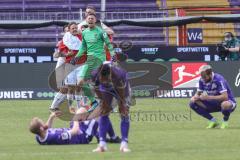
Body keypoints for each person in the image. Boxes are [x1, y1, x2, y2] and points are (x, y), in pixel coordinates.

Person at [72, 13, 115, 112]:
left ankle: (98, 102)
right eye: (89, 18)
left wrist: (113, 55)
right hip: (90, 59)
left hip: (98, 58)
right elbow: (83, 47)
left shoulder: (101, 32)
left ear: (95, 20)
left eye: (92, 18)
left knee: (81, 81)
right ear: (86, 21)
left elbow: (108, 43)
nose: (90, 20)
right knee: (86, 83)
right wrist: (76, 57)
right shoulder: (85, 32)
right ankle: (98, 102)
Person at [91, 62, 131, 152]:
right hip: (105, 89)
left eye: (106, 79)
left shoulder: (120, 75)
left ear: (110, 74)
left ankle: (124, 144)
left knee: (124, 113)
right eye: (102, 79)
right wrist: (103, 102)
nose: (104, 81)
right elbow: (96, 88)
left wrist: (122, 104)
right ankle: (102, 145)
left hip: (121, 89)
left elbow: (122, 95)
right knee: (103, 112)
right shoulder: (95, 74)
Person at [29, 108, 121, 145]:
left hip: (75, 130)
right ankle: (110, 137)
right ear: (40, 128)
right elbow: (75, 131)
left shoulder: (39, 136)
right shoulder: (55, 137)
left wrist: (51, 117)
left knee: (82, 110)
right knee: (100, 114)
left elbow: (46, 128)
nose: (44, 123)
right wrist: (75, 117)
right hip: (82, 135)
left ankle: (98, 134)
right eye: (42, 122)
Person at [189, 65, 237, 129]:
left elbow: (225, 97)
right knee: (192, 102)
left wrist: (208, 97)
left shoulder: (219, 80)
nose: (203, 79)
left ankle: (225, 121)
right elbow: (198, 93)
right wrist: (195, 97)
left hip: (228, 102)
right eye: (202, 77)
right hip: (213, 103)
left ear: (210, 74)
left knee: (225, 104)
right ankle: (213, 121)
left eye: (204, 77)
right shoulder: (202, 80)